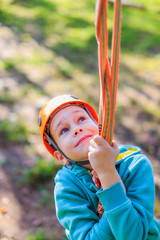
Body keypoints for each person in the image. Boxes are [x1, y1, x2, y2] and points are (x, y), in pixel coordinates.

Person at [38, 94, 160, 240]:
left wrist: (108, 174)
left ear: (99, 125)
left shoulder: (135, 165)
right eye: (64, 130)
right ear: (61, 157)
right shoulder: (66, 185)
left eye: (81, 119)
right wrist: (111, 181)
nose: (77, 129)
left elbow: (134, 236)